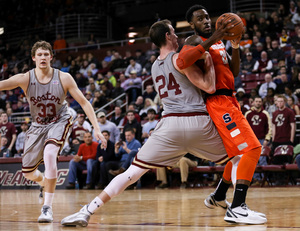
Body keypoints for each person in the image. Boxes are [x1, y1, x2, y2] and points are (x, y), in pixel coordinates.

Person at [61, 19, 235, 227]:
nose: (178, 36)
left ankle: (88, 210)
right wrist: (207, 62)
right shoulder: (180, 58)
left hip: (169, 125)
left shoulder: (153, 67)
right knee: (239, 158)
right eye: (174, 32)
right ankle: (236, 206)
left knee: (132, 174)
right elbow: (208, 86)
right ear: (168, 36)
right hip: (196, 121)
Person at [176, 5, 266, 224]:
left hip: (230, 100)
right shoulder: (193, 41)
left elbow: (234, 71)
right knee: (252, 149)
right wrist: (215, 35)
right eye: (200, 19)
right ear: (192, 24)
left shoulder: (218, 43)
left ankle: (218, 196)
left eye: (207, 17)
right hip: (218, 102)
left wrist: (234, 46)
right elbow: (182, 60)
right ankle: (237, 207)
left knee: (236, 155)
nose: (206, 21)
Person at [0, 41, 107, 223]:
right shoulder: (25, 78)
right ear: (34, 58)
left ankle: (47, 208)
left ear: (51, 57)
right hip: (38, 125)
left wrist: (96, 128)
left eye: (46, 54)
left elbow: (84, 102)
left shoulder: (64, 77)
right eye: (39, 55)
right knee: (27, 172)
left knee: (50, 154)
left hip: (60, 120)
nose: (43, 57)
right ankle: (43, 182)